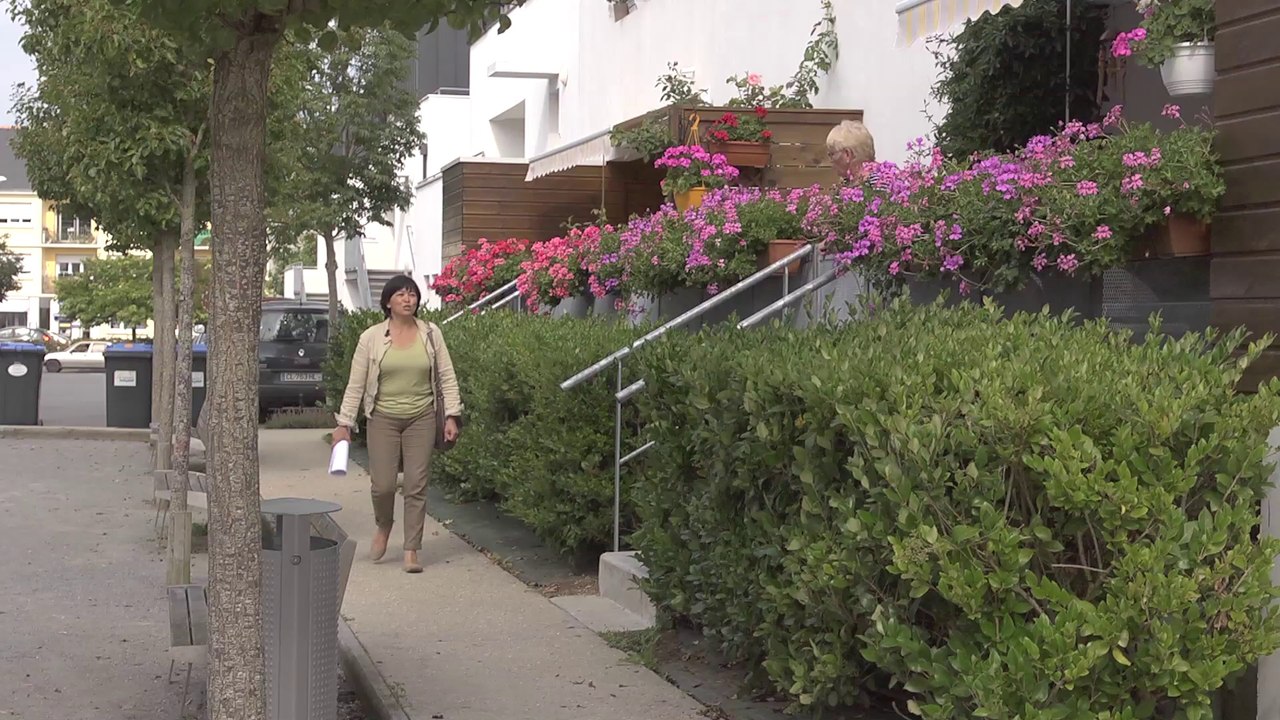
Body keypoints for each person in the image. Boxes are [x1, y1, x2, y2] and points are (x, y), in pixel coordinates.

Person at [332, 275, 462, 573]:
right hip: (383, 418)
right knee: (383, 485)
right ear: (388, 302)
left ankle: (412, 549)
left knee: (416, 484)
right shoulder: (372, 337)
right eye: (401, 295)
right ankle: (384, 525)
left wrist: (452, 415)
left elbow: (447, 376)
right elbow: (356, 384)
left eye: (413, 294)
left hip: (422, 417)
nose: (408, 299)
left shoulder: (431, 333)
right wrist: (344, 424)